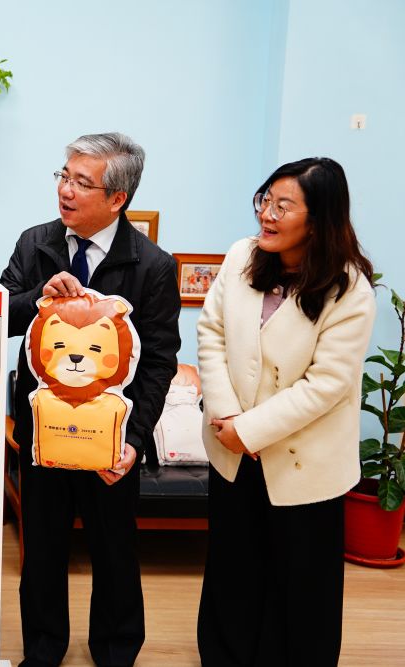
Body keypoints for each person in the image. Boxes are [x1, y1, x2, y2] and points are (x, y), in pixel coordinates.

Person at [0, 132, 181, 667]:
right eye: (64, 176)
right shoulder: (35, 243)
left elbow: (159, 361)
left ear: (117, 198)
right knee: (42, 552)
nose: (66, 190)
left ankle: (116, 650)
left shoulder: (152, 265)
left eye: (82, 182)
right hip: (43, 432)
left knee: (114, 551)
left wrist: (135, 440)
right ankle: (43, 649)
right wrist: (36, 298)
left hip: (111, 440)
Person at [196, 157, 375, 666]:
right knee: (233, 570)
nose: (266, 214)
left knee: (301, 584)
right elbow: (211, 332)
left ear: (317, 221)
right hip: (232, 451)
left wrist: (250, 430)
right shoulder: (241, 256)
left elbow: (327, 384)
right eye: (265, 200)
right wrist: (227, 418)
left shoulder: (350, 289)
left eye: (283, 206)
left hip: (304, 461)